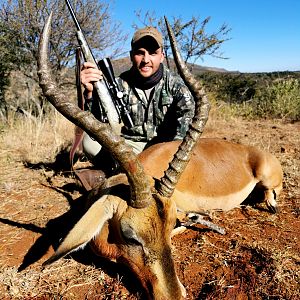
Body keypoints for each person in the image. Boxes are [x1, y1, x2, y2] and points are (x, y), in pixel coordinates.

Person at [80, 26, 195, 179]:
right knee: (90, 143)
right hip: (130, 148)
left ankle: (123, 174)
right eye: (140, 53)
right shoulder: (118, 84)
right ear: (131, 55)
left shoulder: (179, 89)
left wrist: (158, 159)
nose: (146, 60)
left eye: (153, 53)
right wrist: (89, 94)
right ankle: (125, 172)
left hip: (164, 150)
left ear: (162, 56)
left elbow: (182, 137)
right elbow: (98, 122)